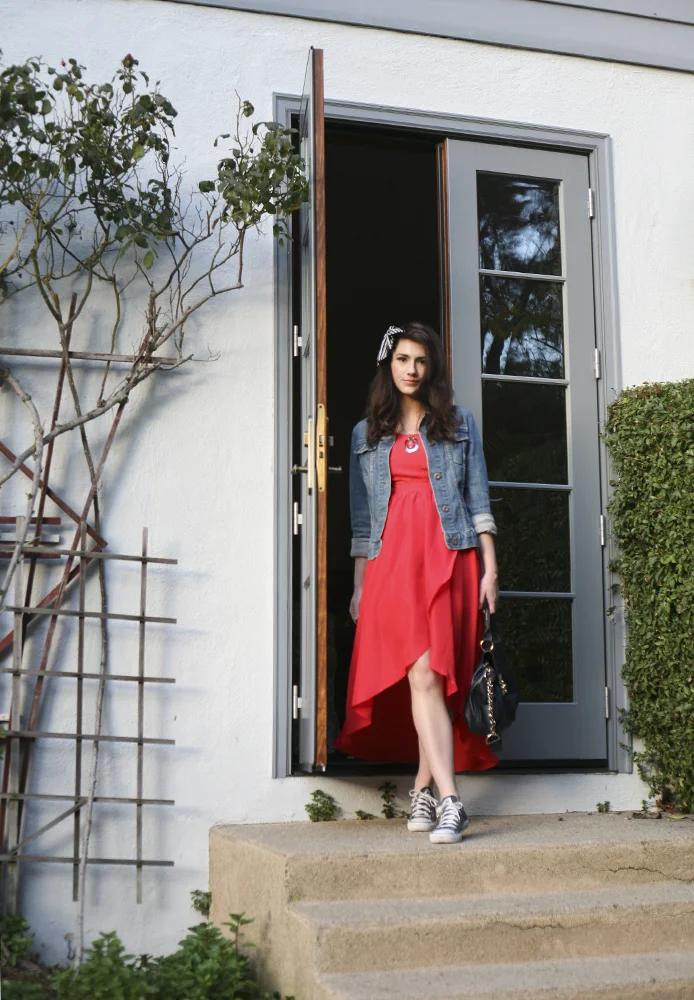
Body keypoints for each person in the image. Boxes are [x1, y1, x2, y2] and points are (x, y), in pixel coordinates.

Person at [334, 321, 499, 844]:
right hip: (390, 565)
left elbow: (478, 503)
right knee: (420, 676)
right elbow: (363, 521)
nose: (411, 369)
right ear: (390, 365)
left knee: (432, 674)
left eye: (421, 361)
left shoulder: (458, 423)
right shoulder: (366, 434)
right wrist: (360, 585)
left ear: (432, 369)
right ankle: (435, 794)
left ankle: (442, 797)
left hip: (447, 556)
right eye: (403, 359)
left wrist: (491, 568)